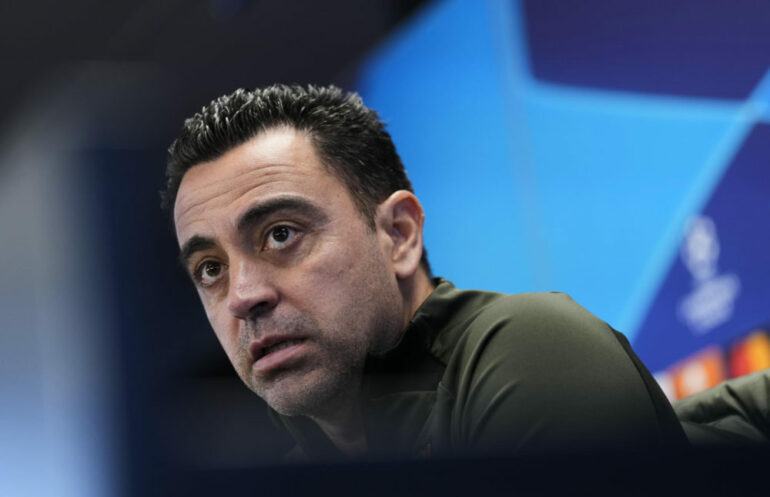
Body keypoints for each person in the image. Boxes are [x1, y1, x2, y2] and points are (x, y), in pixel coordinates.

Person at [162, 84, 686, 460]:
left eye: (281, 234)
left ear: (399, 234)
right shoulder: (275, 470)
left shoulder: (537, 349)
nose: (243, 296)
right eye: (211, 269)